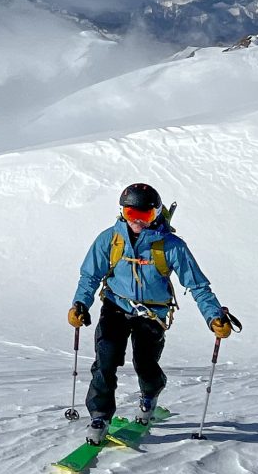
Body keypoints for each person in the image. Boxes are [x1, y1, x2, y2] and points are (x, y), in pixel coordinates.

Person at [69, 183, 237, 443]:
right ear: (122, 212)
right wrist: (80, 304)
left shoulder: (171, 246)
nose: (136, 221)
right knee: (105, 361)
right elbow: (90, 275)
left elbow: (197, 285)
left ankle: (150, 394)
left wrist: (213, 315)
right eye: (130, 213)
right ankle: (100, 415)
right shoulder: (110, 239)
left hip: (152, 314)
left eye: (144, 215)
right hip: (115, 306)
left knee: (145, 364)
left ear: (156, 213)